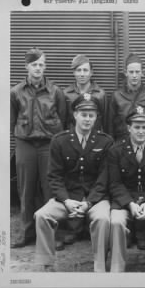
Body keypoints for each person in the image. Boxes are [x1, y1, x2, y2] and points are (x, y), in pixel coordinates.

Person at [34, 94, 114, 272]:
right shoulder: (60, 140)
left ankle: (99, 267)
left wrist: (89, 202)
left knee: (102, 218)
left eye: (91, 115)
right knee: (42, 215)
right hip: (68, 197)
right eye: (83, 114)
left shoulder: (105, 141)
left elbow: (104, 178)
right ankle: (46, 265)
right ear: (75, 115)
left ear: (96, 117)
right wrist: (66, 200)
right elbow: (54, 176)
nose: (87, 119)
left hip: (95, 199)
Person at [10, 48, 67, 248]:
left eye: (41, 64)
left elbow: (63, 118)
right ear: (26, 66)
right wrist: (22, 138)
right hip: (25, 144)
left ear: (45, 67)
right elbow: (12, 121)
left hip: (48, 145)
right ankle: (27, 233)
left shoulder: (55, 91)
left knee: (50, 189)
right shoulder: (16, 92)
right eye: (34, 64)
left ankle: (51, 233)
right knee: (25, 189)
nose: (38, 68)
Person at [108, 106, 145, 272]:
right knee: (116, 222)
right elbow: (115, 183)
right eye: (136, 127)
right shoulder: (116, 151)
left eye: (144, 127)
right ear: (129, 128)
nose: (141, 131)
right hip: (125, 199)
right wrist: (130, 204)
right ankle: (116, 269)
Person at [108, 53, 145, 141]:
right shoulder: (116, 96)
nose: (134, 76)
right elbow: (109, 126)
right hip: (121, 144)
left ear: (143, 73)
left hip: (143, 143)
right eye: (131, 72)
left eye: (137, 72)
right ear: (125, 73)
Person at [63, 54, 109, 133]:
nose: (82, 74)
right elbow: (63, 121)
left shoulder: (100, 94)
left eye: (85, 70)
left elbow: (105, 122)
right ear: (74, 72)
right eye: (79, 70)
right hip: (72, 139)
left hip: (95, 139)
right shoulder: (66, 94)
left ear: (91, 72)